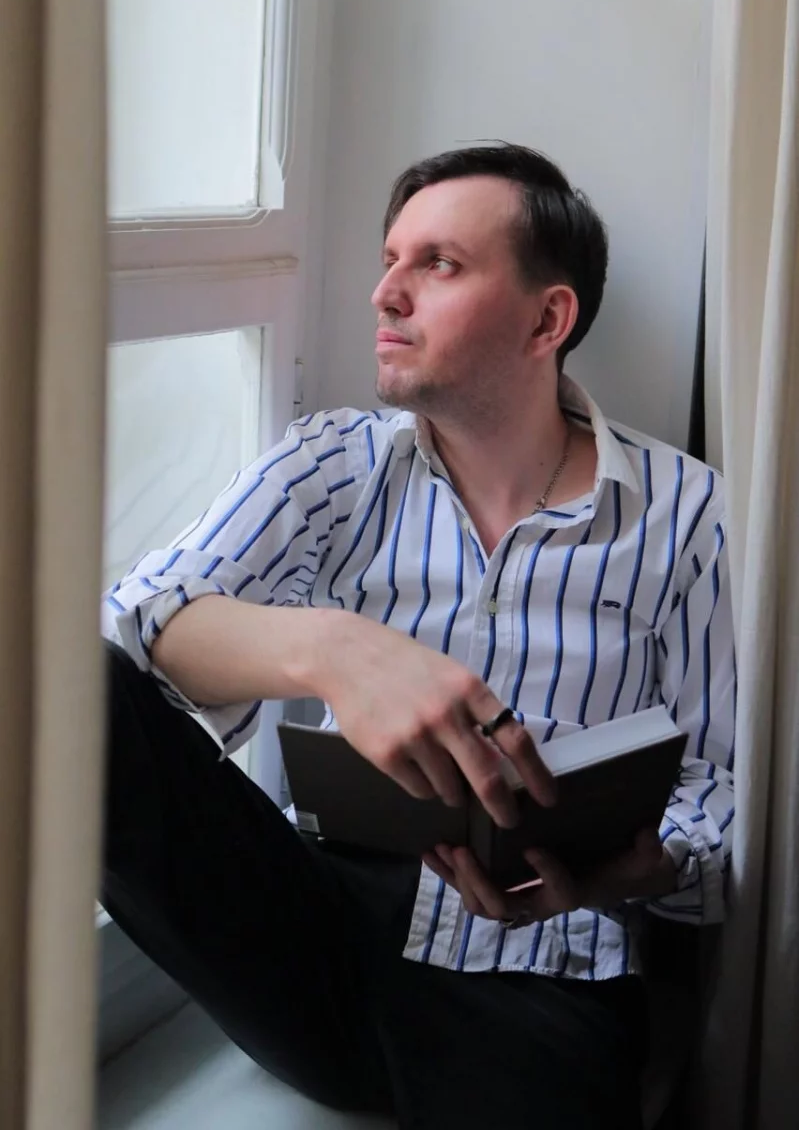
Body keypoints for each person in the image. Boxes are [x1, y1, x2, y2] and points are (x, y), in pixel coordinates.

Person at [102, 143, 735, 1129]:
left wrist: (644, 865)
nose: (385, 293)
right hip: (308, 923)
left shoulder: (689, 515)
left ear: (547, 320)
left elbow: (720, 787)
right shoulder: (333, 463)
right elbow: (136, 627)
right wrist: (332, 650)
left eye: (438, 264)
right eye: (390, 259)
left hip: (546, 972)